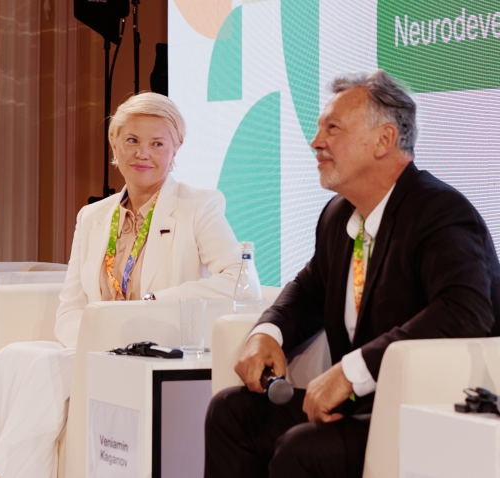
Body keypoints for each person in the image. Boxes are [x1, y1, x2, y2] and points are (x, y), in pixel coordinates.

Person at [204, 70, 500, 478]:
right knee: (230, 413)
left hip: (420, 411)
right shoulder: (339, 214)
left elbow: (465, 310)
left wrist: (352, 371)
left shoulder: (439, 211)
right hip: (358, 406)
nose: (316, 141)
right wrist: (267, 333)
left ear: (384, 139)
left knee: (302, 450)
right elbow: (309, 289)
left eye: (333, 128)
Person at [0, 92, 242, 478]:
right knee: (13, 358)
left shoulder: (198, 206)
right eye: (132, 140)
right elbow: (71, 304)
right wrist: (92, 345)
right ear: (114, 145)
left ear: (175, 149)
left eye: (157, 144)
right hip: (96, 347)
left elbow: (236, 279)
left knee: (46, 369)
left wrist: (153, 302)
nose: (142, 153)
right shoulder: (93, 216)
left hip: (159, 347)